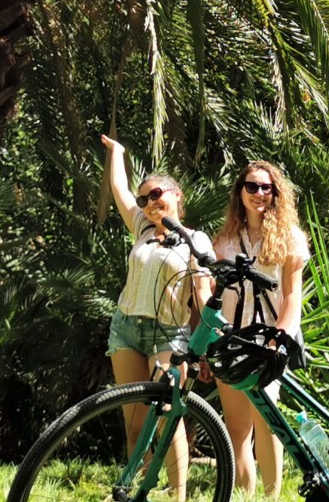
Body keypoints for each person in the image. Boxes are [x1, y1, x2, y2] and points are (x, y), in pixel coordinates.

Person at [101, 135, 214, 502]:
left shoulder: (196, 240)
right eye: (145, 197)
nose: (151, 202)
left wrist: (207, 346)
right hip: (127, 328)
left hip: (170, 334)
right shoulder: (142, 228)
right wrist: (117, 153)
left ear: (177, 195)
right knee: (135, 424)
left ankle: (178, 494)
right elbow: (119, 188)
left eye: (157, 194)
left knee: (167, 416)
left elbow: (203, 296)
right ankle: (144, 492)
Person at [212, 161, 310, 496]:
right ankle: (244, 494)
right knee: (236, 427)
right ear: (240, 192)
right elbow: (215, 292)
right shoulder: (224, 240)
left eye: (266, 188)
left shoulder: (289, 238)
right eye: (251, 187)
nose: (259, 194)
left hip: (268, 339)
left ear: (275, 193)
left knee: (267, 423)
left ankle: (272, 495)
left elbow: (292, 296)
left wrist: (278, 337)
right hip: (231, 338)